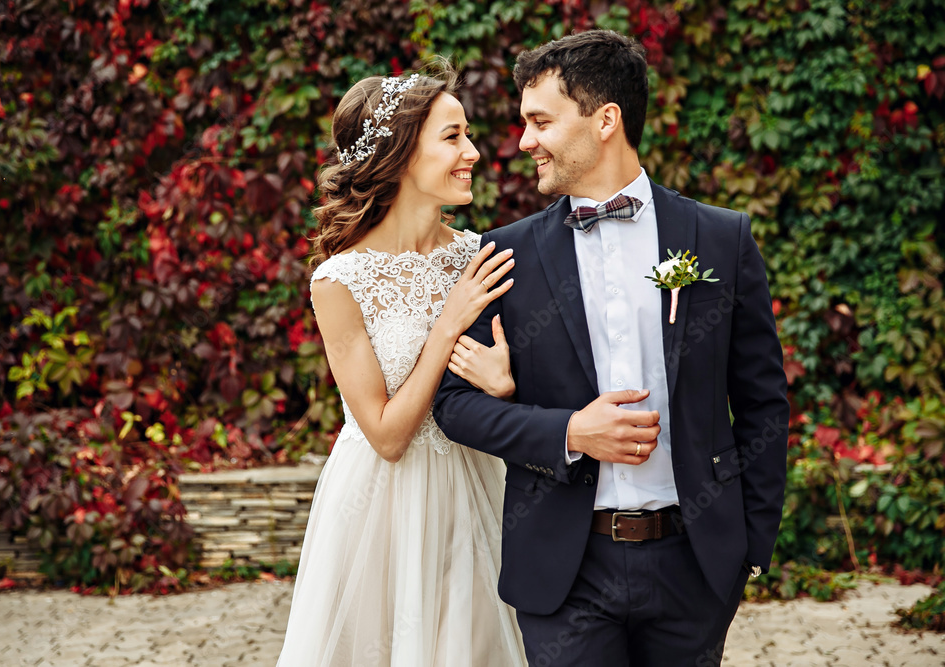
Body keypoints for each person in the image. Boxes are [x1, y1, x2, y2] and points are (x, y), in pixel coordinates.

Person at [434, 30, 790, 666]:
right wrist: (570, 431)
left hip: (696, 568)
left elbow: (763, 401)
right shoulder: (504, 255)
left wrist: (749, 547)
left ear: (605, 120)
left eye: (540, 121)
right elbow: (454, 405)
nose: (523, 142)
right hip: (566, 573)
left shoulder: (720, 238)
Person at [276, 67, 527, 666]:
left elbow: (516, 383)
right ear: (401, 155)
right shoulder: (340, 281)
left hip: (479, 489)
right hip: (380, 510)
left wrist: (506, 386)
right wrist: (447, 326)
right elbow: (387, 435)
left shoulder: (479, 256)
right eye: (453, 137)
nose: (472, 152)